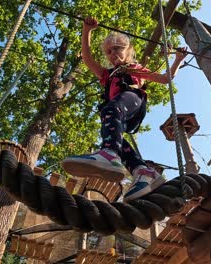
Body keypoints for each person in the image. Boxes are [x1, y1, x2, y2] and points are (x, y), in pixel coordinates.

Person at [62, 17, 187, 202]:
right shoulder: (107, 74)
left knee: (110, 112)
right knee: (117, 138)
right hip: (119, 111)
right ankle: (143, 172)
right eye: (109, 51)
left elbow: (165, 78)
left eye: (117, 49)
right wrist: (86, 30)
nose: (113, 53)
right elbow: (87, 59)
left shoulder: (133, 68)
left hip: (131, 100)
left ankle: (108, 154)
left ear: (127, 50)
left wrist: (177, 59)